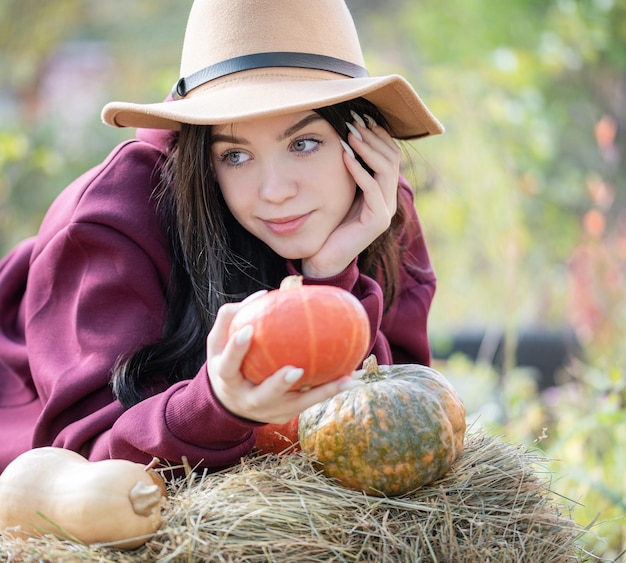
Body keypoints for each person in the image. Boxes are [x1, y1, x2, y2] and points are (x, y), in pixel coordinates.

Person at [0, 0, 443, 473]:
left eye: (304, 143)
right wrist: (218, 406)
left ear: (360, 136)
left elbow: (395, 418)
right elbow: (83, 465)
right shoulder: (110, 221)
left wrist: (330, 274)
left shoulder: (376, 204)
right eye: (234, 155)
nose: (275, 192)